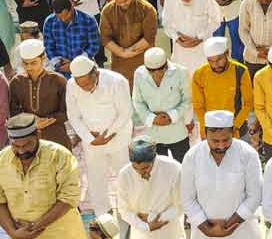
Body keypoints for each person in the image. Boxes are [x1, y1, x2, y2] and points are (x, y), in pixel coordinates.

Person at [65, 54, 132, 215]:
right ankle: (103, 214)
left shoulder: (117, 81)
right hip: (92, 141)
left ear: (97, 73)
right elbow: (73, 115)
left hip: (117, 137)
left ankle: (129, 210)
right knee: (96, 178)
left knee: (124, 175)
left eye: (88, 84)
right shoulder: (72, 85)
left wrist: (107, 135)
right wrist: (90, 139)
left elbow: (125, 113)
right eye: (81, 86)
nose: (85, 88)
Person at [0, 113, 86, 238]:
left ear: (38, 135)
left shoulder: (60, 156)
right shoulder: (2, 161)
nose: (21, 151)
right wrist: (13, 232)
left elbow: (69, 198)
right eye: (16, 146)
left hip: (62, 233)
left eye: (26, 145)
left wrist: (36, 226)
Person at [180, 110, 263, 239]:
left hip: (243, 231)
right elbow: (187, 198)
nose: (221, 145)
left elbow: (255, 195)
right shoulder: (192, 156)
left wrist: (228, 226)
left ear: (232, 133)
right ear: (205, 133)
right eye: (215, 141)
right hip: (204, 232)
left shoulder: (248, 154)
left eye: (226, 140)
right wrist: (208, 230)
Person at [116, 136, 186, 239]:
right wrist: (145, 227)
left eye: (145, 168)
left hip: (169, 230)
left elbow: (182, 204)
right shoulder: (124, 174)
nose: (140, 173)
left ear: (154, 159)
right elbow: (123, 210)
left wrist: (154, 219)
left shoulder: (174, 169)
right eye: (135, 168)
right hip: (140, 231)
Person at [131, 47, 192, 162]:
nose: (157, 73)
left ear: (166, 65)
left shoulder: (180, 72)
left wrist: (171, 116)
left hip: (177, 132)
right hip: (153, 134)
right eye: (151, 71)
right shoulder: (139, 73)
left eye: (160, 69)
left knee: (184, 168)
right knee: (158, 171)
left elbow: (188, 100)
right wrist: (152, 118)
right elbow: (137, 101)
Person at [100, 0, 157, 86]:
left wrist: (129, 51)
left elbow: (149, 37)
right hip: (120, 63)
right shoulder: (107, 11)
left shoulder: (147, 9)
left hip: (144, 62)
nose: (123, 4)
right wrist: (122, 53)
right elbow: (105, 38)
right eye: (119, 1)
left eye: (125, 0)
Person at [192, 37, 253, 138]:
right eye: (210, 61)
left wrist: (235, 126)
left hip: (235, 130)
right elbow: (198, 106)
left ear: (227, 53)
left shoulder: (240, 71)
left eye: (219, 59)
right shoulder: (199, 74)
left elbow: (248, 104)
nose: (215, 65)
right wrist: (208, 127)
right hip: (210, 130)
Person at [162, 0, 221, 74]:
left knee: (202, 76)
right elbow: (166, 23)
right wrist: (177, 38)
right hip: (180, 50)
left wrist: (200, 37)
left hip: (201, 49)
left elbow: (217, 20)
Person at [42, 0, 101, 77]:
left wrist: (74, 64)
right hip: (60, 69)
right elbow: (48, 47)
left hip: (84, 67)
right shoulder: (49, 22)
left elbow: (94, 46)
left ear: (72, 7)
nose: (63, 19)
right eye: (59, 17)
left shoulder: (88, 20)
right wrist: (58, 63)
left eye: (66, 15)